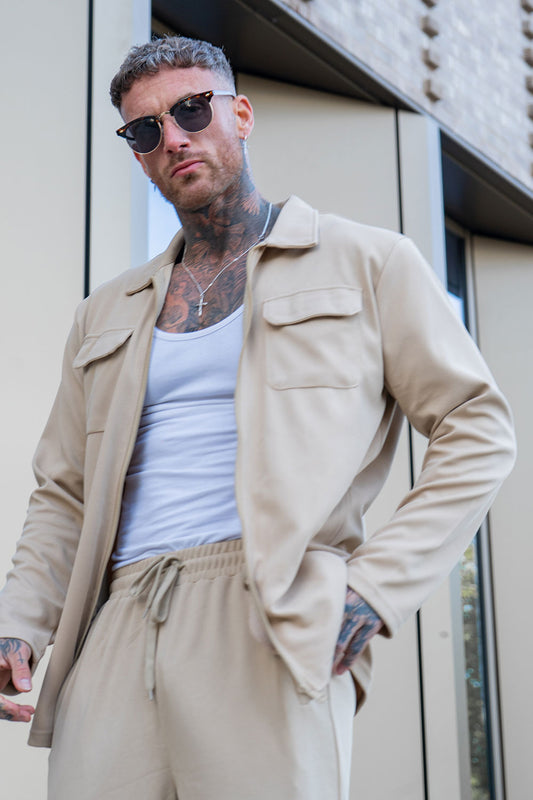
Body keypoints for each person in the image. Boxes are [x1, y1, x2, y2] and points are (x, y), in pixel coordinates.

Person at [0, 35, 515, 800]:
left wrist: (375, 587)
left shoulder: (366, 262)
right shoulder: (105, 313)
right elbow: (64, 492)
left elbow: (477, 428)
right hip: (113, 621)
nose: (173, 138)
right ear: (136, 154)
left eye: (191, 110)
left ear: (239, 114)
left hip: (266, 611)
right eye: (145, 129)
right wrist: (20, 622)